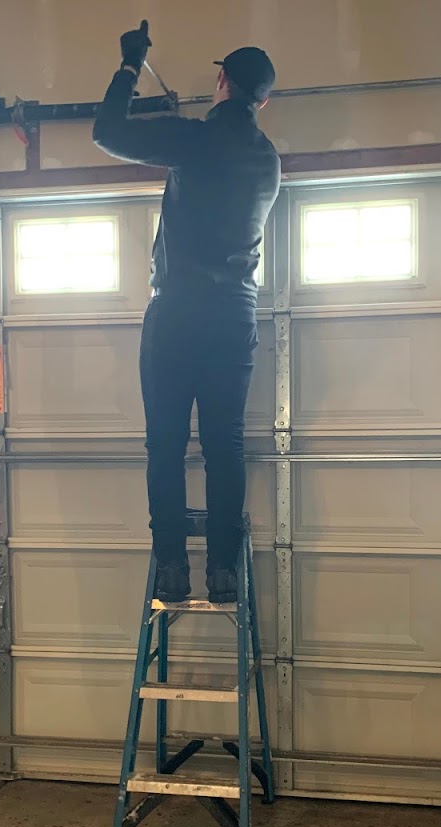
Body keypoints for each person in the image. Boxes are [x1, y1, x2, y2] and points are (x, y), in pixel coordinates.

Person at [93, 23, 280, 604]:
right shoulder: (269, 160)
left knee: (166, 444)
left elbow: (107, 132)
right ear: (264, 100)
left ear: (221, 81)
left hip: (177, 312)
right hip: (233, 315)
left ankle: (172, 568)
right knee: (224, 444)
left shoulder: (196, 141)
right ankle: (224, 571)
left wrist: (130, 64)